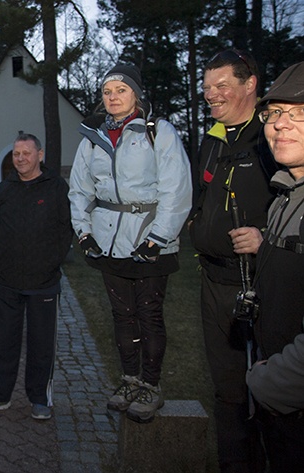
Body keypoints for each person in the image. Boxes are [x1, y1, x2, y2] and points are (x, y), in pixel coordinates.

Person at [68, 65, 191, 424]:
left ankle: (150, 386)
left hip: (149, 237)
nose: (113, 96)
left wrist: (159, 237)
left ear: (136, 94)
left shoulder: (158, 131)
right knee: (122, 315)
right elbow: (79, 189)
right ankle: (129, 381)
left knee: (149, 314)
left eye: (121, 89)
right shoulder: (92, 137)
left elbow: (176, 188)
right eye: (108, 91)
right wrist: (84, 232)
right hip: (108, 241)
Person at [189, 49, 277, 472]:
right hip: (213, 283)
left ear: (250, 84)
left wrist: (268, 238)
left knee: (270, 389)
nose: (211, 95)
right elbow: (202, 196)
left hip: (263, 284)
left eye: (221, 85)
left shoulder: (273, 137)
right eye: (207, 87)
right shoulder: (213, 137)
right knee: (226, 390)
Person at [0, 133, 72, 421]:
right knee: (2, 342)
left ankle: (39, 398)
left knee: (41, 344)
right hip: (6, 281)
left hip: (44, 282)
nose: (21, 158)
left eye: (27, 153)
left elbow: (66, 229)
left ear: (39, 155)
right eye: (16, 154)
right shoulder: (4, 191)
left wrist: (54, 261)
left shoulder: (56, 188)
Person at [242, 61, 304, 473]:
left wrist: (269, 381)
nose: (282, 125)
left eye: (299, 114)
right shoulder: (285, 195)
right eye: (275, 113)